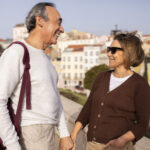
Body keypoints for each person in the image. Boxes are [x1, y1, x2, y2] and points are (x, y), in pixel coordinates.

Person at [0, 2, 73, 150]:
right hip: (28, 136)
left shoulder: (46, 59)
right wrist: (13, 145)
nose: (62, 29)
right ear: (40, 21)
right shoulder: (17, 52)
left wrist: (64, 134)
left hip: (47, 135)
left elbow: (55, 98)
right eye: (58, 23)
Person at [71, 33, 150, 150]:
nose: (108, 54)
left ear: (128, 52)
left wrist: (122, 140)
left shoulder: (139, 84)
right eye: (109, 49)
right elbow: (88, 109)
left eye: (113, 50)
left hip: (119, 147)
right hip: (92, 145)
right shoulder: (101, 77)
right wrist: (73, 136)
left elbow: (142, 124)